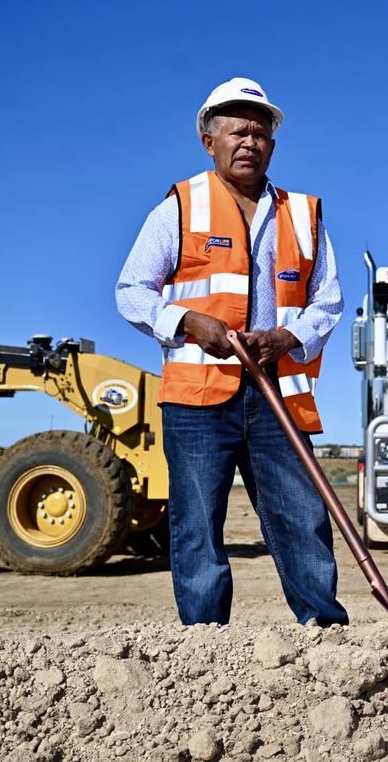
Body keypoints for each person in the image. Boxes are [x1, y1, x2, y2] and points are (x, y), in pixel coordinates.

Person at [116, 77, 348, 627]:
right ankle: (204, 646)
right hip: (198, 400)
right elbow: (131, 291)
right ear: (208, 141)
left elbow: (329, 301)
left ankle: (324, 635)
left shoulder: (303, 214)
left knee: (303, 518)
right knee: (197, 526)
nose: (249, 141)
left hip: (278, 397)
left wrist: (287, 338)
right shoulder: (178, 207)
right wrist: (188, 321)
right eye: (236, 131)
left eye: (259, 132)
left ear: (273, 143)